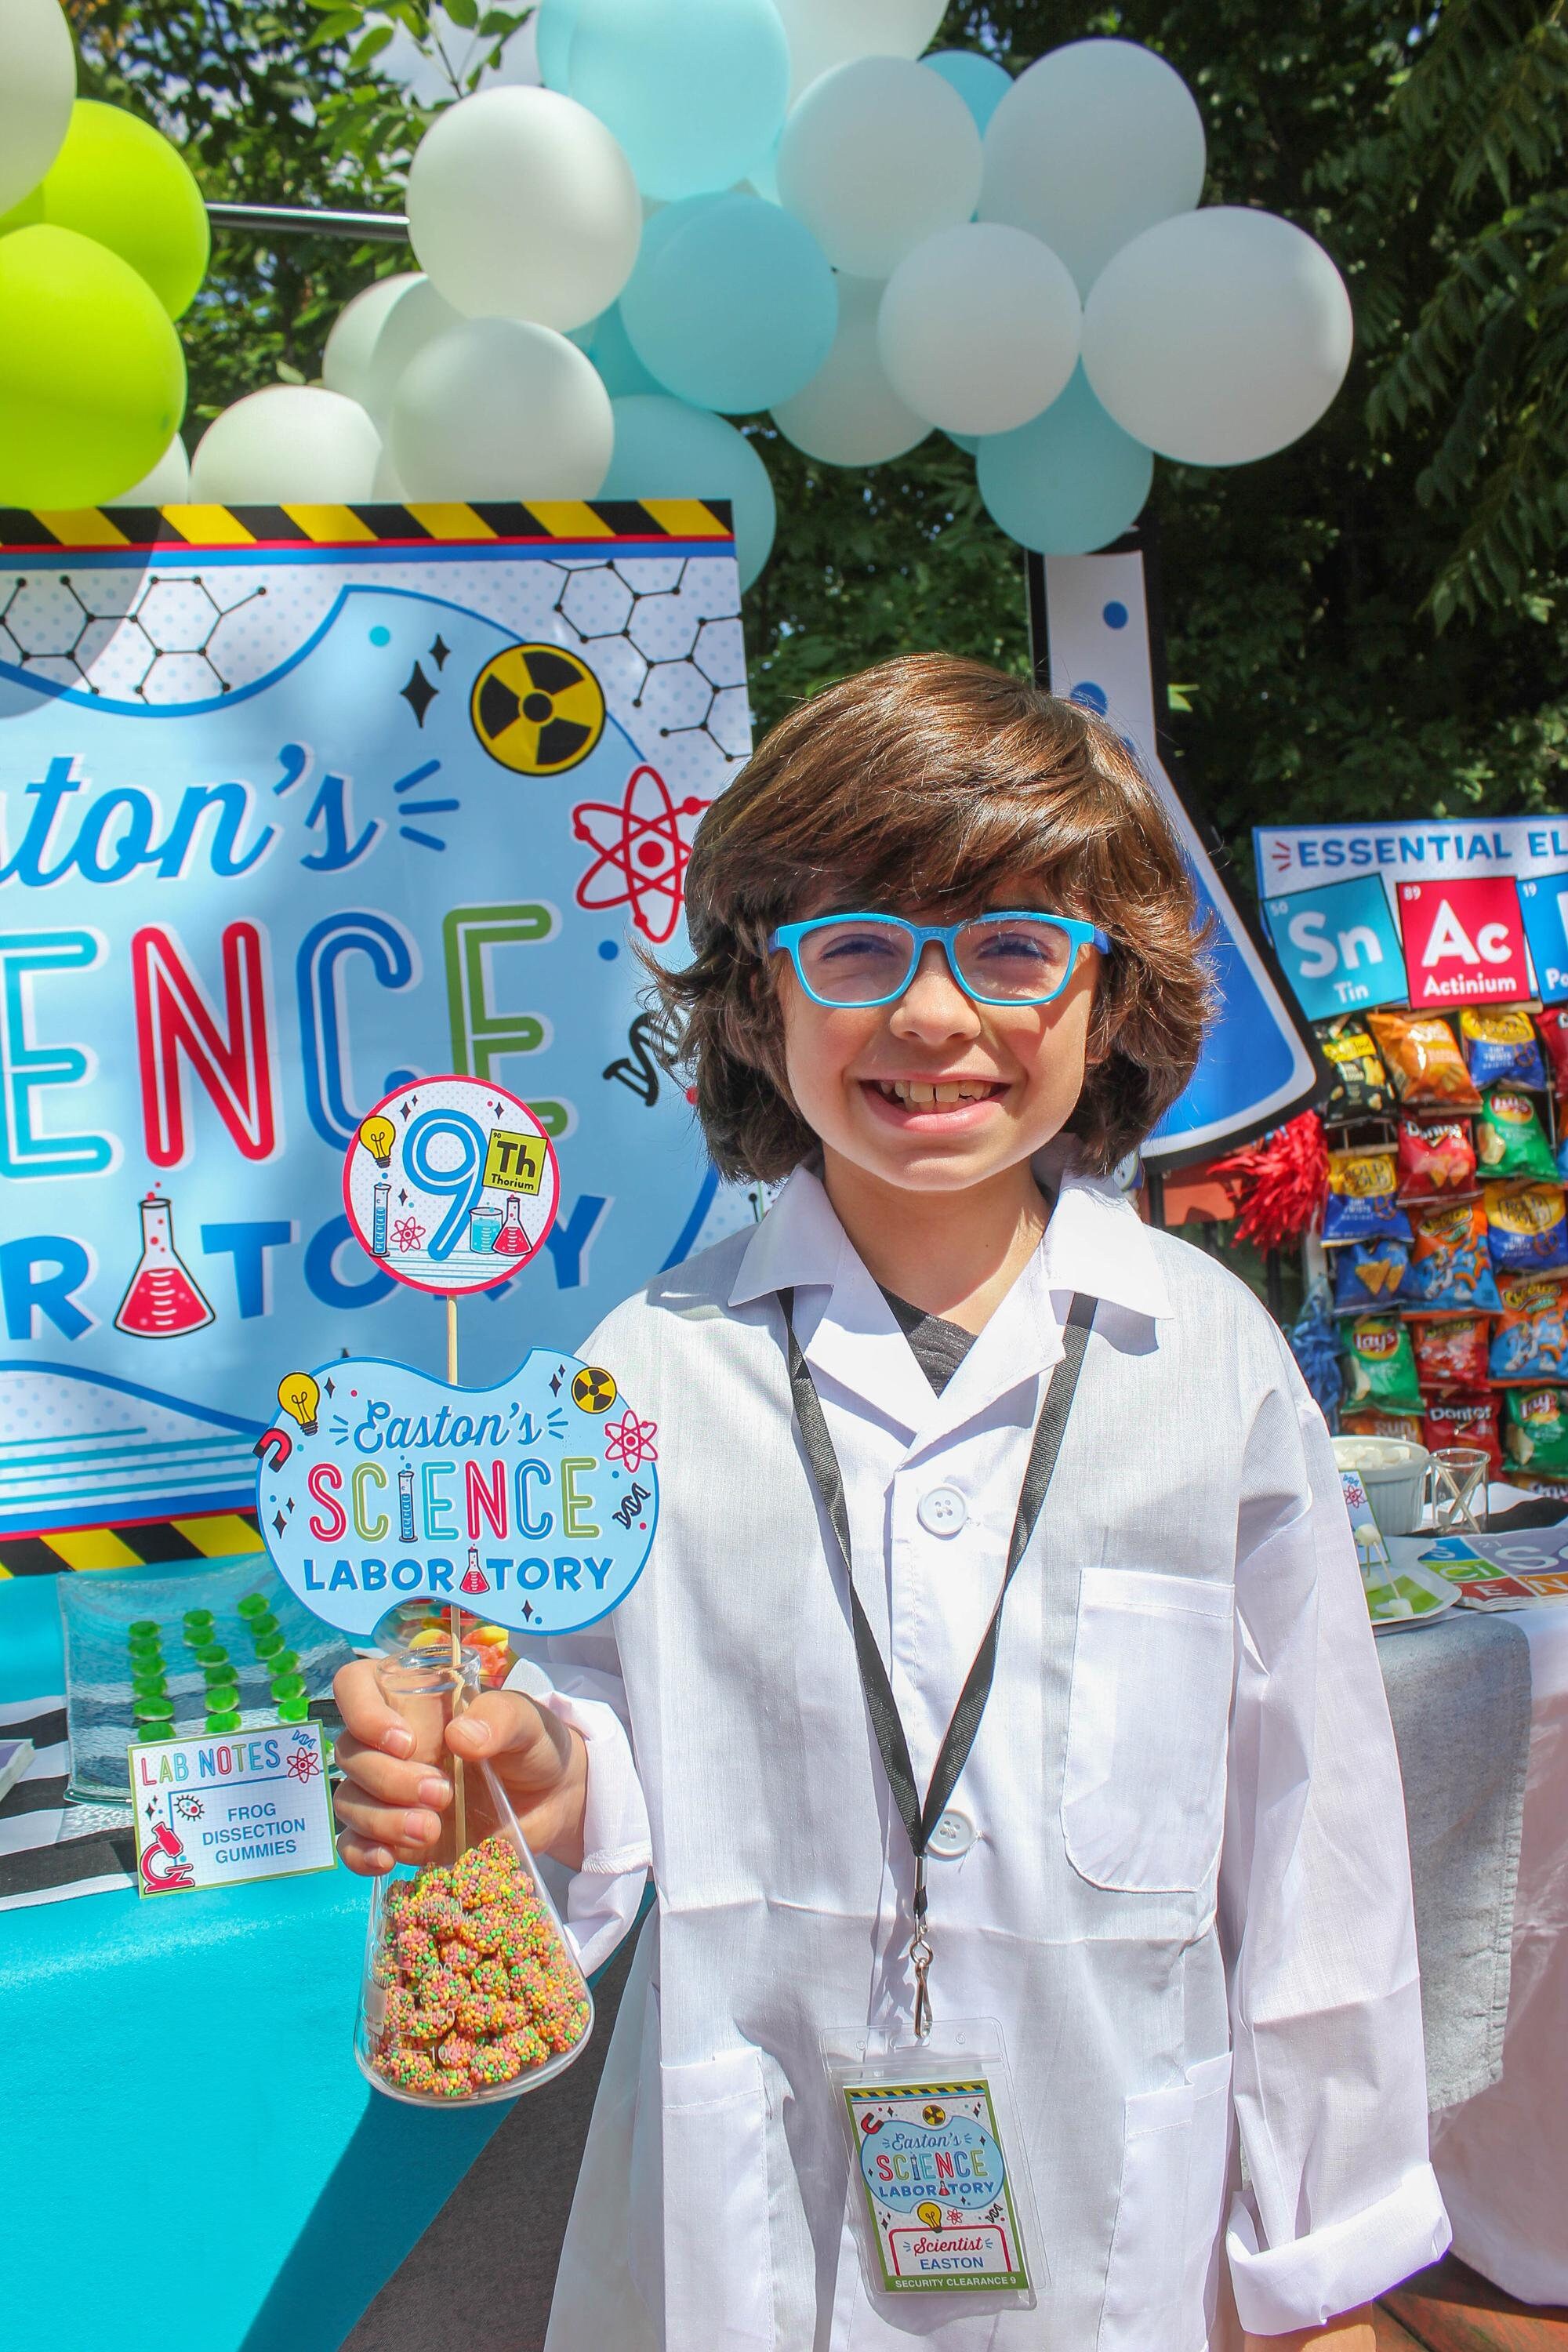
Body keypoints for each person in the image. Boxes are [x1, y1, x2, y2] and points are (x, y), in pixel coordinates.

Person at [332, 656, 1448, 2350]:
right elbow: (595, 1731)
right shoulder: (645, 1371)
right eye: (856, 948)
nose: (933, 1016)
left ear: (1109, 997)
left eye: (1014, 948)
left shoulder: (1204, 1358)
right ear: (753, 999)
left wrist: (1322, 2261)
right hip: (746, 2207)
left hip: (1124, 2214)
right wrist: (533, 1775)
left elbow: (1319, 1839)